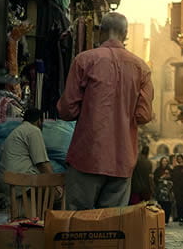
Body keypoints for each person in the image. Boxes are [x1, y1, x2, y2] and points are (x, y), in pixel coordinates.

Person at [57, 11, 154, 211]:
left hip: (87, 155)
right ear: (125, 34)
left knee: (79, 221)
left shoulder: (84, 60)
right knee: (112, 224)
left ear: (100, 32)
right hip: (122, 158)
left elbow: (66, 110)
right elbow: (143, 115)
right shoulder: (141, 68)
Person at [154, 155, 175, 223]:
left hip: (168, 191)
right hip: (160, 190)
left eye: (166, 161)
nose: (164, 162)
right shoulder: (158, 170)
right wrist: (162, 177)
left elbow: (173, 179)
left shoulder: (170, 169)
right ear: (161, 162)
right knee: (161, 204)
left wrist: (169, 177)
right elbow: (155, 179)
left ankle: (166, 219)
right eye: (163, 161)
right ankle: (160, 219)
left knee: (168, 205)